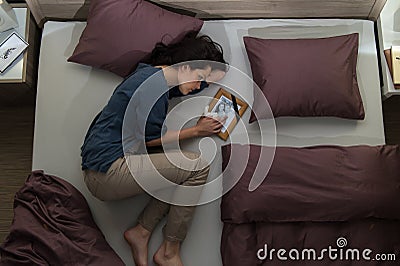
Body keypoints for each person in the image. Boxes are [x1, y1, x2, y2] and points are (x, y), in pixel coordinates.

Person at [80, 31, 227, 266]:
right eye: (200, 77)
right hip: (107, 170)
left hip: (104, 169)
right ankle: (170, 251)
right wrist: (197, 131)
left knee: (180, 172)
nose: (201, 86)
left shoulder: (155, 77)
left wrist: (212, 75)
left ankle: (141, 232)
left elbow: (185, 85)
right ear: (185, 66)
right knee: (198, 166)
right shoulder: (154, 85)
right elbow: (150, 139)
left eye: (206, 83)